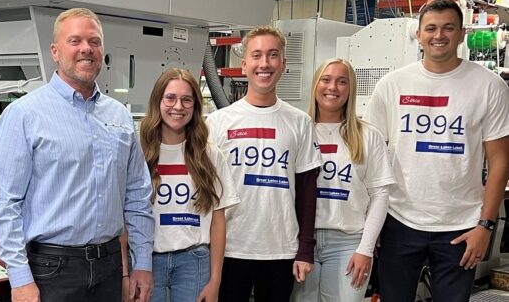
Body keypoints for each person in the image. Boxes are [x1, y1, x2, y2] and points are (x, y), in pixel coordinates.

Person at [0, 7, 155, 302]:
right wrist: (20, 278)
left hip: (109, 266)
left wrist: (142, 262)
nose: (86, 49)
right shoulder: (24, 114)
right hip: (51, 270)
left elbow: (138, 195)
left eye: (94, 41)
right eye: (75, 41)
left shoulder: (119, 116)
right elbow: (4, 204)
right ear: (55, 51)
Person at [365, 0, 509, 302]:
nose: (439, 35)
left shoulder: (489, 86)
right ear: (419, 35)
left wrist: (485, 225)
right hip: (398, 220)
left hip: (461, 225)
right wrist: (370, 224)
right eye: (431, 28)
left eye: (448, 28)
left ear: (462, 34)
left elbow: (500, 161)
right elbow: (371, 158)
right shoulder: (392, 85)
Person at [206, 25, 323, 302]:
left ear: (283, 63)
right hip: (230, 248)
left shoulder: (300, 122)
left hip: (281, 250)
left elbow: (308, 191)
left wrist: (305, 249)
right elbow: (207, 192)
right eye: (256, 55)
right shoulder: (218, 123)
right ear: (244, 65)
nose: (264, 63)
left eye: (272, 55)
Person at [126, 68, 240, 302]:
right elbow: (124, 216)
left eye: (186, 100)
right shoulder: (138, 151)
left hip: (194, 261)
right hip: (146, 262)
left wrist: (215, 281)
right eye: (170, 98)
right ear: (158, 101)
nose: (178, 106)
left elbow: (218, 222)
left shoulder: (209, 154)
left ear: (195, 106)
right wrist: (125, 274)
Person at [291, 58, 395, 302]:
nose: (332, 87)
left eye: (342, 82)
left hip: (348, 243)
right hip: (300, 242)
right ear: (315, 84)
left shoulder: (368, 135)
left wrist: (365, 248)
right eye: (326, 80)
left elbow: (380, 195)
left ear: (351, 89)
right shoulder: (298, 130)